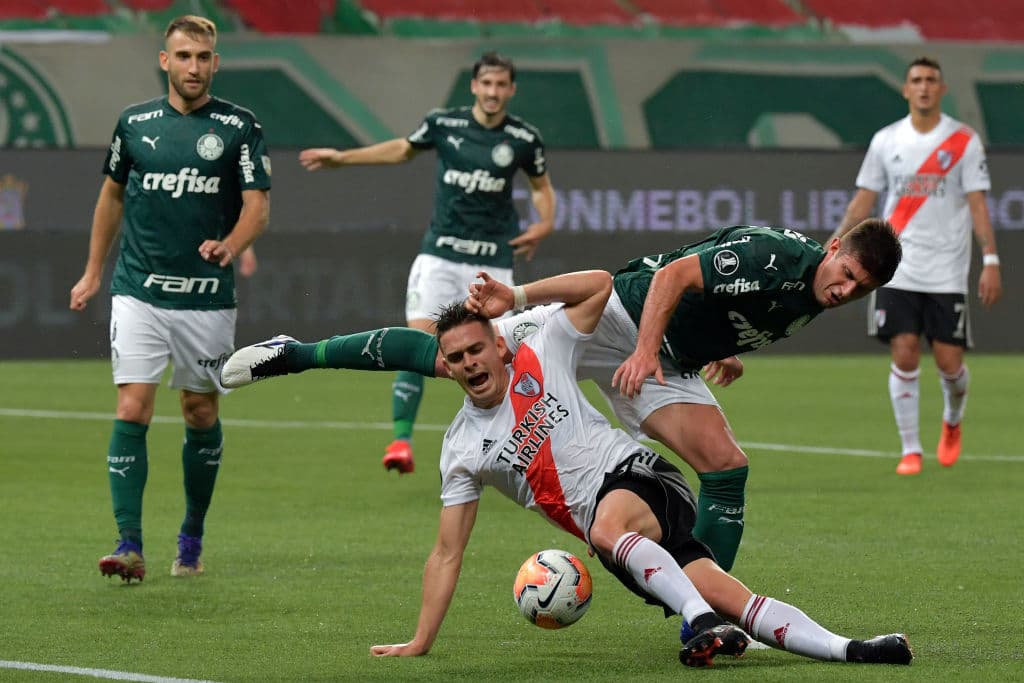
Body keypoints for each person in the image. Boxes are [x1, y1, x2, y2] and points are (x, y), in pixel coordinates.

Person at [222, 219, 900, 580]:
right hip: (622, 321)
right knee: (450, 356)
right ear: (833, 246)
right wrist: (641, 348)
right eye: (844, 274)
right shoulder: (778, 257)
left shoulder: (813, 293)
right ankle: (297, 353)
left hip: (666, 356)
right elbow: (672, 276)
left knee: (727, 465)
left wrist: (717, 346)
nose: (844, 291)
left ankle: (707, 608)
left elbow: (721, 306)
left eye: (858, 289)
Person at [364, 271, 912, 666]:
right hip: (632, 547)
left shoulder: (542, 348)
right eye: (456, 359)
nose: (469, 364)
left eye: (477, 350)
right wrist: (420, 640)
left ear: (500, 347)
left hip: (639, 478)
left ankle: (697, 619)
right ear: (449, 368)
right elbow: (447, 551)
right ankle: (853, 648)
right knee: (736, 601)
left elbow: (600, 284)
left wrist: (521, 297)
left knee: (609, 532)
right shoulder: (462, 448)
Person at [68, 15, 271, 583]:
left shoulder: (238, 126)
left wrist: (231, 245)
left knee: (199, 410)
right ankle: (128, 543)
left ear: (215, 61)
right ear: (165, 60)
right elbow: (111, 197)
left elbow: (258, 206)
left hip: (207, 297)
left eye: (203, 57)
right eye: (183, 56)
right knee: (133, 406)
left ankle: (192, 534)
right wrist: (92, 272)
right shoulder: (133, 124)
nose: (194, 67)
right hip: (139, 291)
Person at [297, 52, 555, 477]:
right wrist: (343, 158)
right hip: (439, 255)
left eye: (500, 85)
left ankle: (516, 446)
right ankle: (400, 439)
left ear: (511, 90)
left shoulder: (524, 138)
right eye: (485, 84)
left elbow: (542, 188)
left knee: (503, 355)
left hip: (491, 264)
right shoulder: (444, 124)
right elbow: (402, 149)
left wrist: (545, 222)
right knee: (418, 343)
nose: (492, 92)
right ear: (474, 86)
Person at [833, 57, 1002, 476]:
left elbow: (979, 205)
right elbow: (863, 200)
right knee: (905, 352)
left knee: (949, 363)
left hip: (947, 269)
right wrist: (837, 242)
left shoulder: (963, 141)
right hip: (897, 266)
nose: (924, 87)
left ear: (941, 89)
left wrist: (991, 260)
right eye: (916, 81)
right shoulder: (886, 140)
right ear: (905, 90)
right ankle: (911, 449)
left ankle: (953, 419)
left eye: (930, 80)